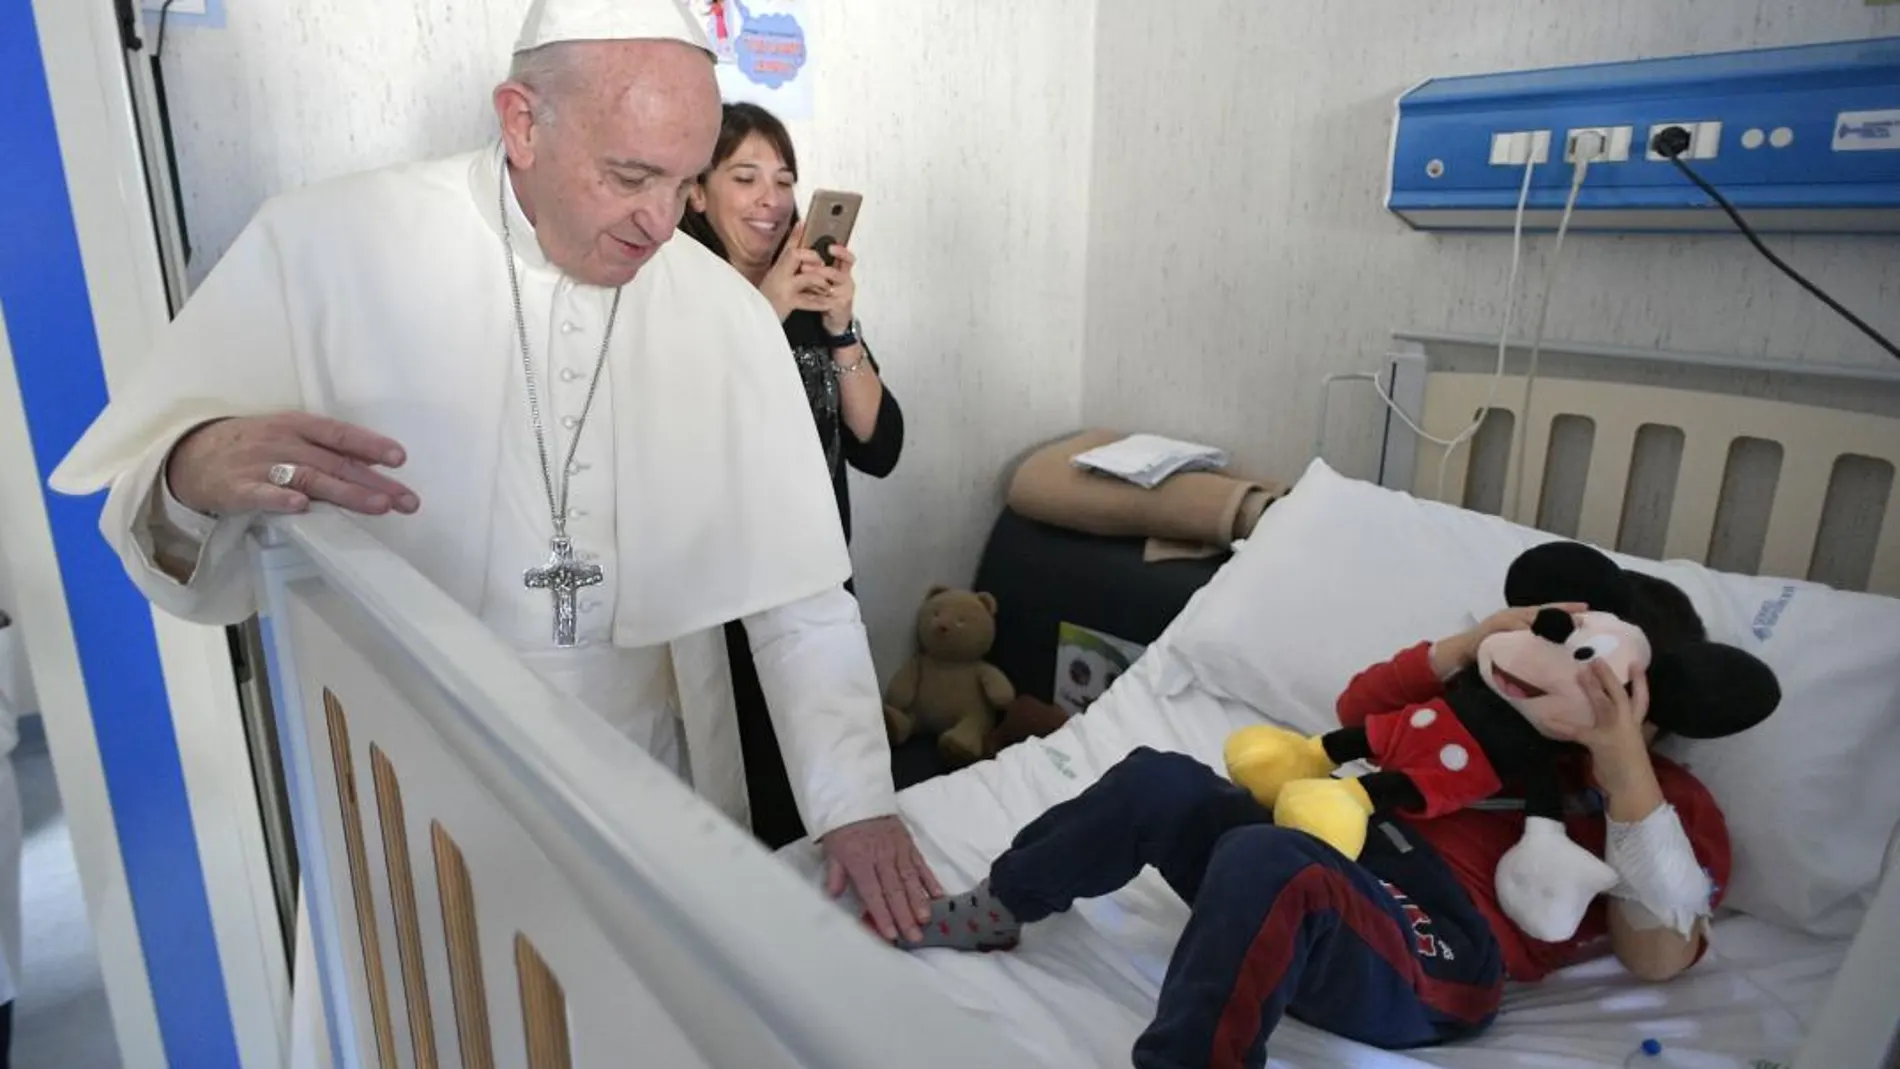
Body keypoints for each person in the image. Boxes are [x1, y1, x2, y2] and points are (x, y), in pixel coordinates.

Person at [48, 0, 939, 1060]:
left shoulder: (718, 310)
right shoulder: (325, 245)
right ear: (521, 120)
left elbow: (797, 595)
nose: (663, 224)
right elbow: (150, 516)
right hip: (406, 774)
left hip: (645, 771)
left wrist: (856, 800)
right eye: (627, 176)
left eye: (682, 178)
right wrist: (194, 467)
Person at [899, 596, 1732, 1069]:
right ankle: (1004, 903)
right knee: (1164, 777)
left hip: (1444, 945)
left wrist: (1622, 760)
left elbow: (1656, 953)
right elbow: (1356, 714)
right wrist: (1476, 645)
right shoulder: (1475, 714)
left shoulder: (1669, 800)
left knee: (1273, 860)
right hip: (1340, 848)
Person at [679, 103, 906, 847]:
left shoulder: (807, 301)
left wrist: (840, 324)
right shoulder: (677, 300)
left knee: (836, 793)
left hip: (819, 581)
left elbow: (879, 444)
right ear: (695, 193)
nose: (771, 200)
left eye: (784, 180)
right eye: (744, 177)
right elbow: (681, 437)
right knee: (752, 801)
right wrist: (764, 307)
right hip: (727, 599)